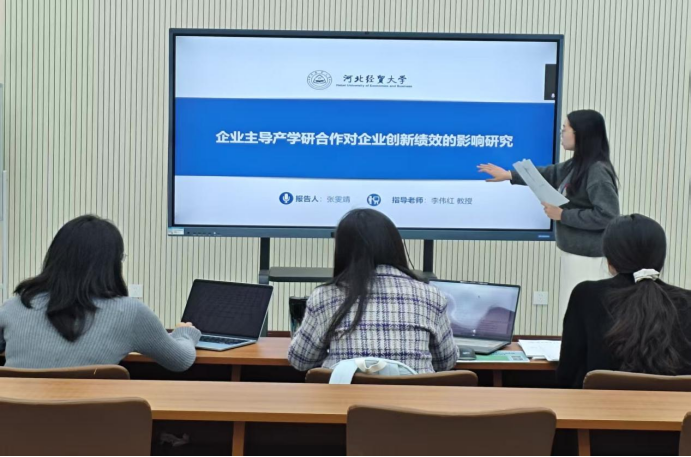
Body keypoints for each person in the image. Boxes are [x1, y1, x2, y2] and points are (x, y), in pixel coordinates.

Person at [0, 215, 201, 372]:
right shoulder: (130, 312)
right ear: (112, 264)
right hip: (92, 416)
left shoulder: (15, 305)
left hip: (15, 414)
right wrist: (185, 333)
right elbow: (180, 361)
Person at [478, 110, 620, 319]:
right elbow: (548, 174)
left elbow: (608, 216)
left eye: (565, 129)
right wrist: (509, 175)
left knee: (583, 317)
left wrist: (563, 215)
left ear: (581, 134)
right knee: (573, 315)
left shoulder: (596, 171)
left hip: (590, 259)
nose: (561, 134)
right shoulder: (576, 165)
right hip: (575, 254)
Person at [288, 209, 458, 374]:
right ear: (395, 245)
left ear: (343, 251)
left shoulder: (325, 296)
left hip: (343, 394)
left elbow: (301, 361)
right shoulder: (431, 295)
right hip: (412, 394)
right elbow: (446, 362)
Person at [557, 214, 691, 388]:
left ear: (609, 259)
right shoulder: (687, 301)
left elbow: (567, 375)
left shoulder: (586, 295)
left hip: (599, 405)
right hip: (675, 406)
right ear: (660, 257)